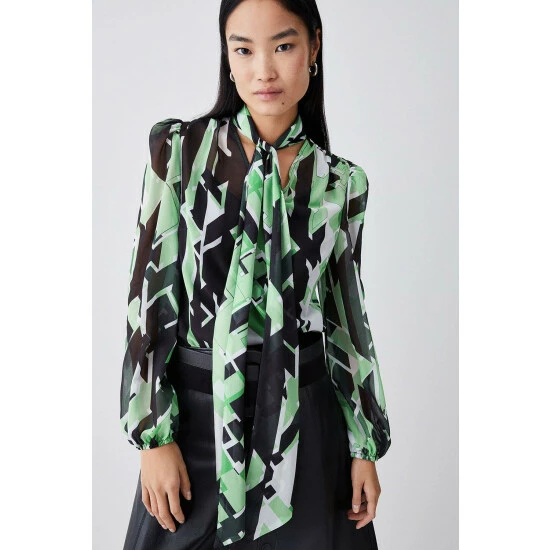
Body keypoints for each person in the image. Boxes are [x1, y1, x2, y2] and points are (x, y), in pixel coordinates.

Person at [119, 1, 391, 548]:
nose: (263, 70)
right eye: (243, 50)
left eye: (283, 46)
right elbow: (149, 296)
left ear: (314, 47)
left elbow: (346, 321)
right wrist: (153, 436)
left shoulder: (339, 183)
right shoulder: (181, 154)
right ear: (227, 56)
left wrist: (363, 445)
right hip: (196, 422)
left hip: (307, 423)